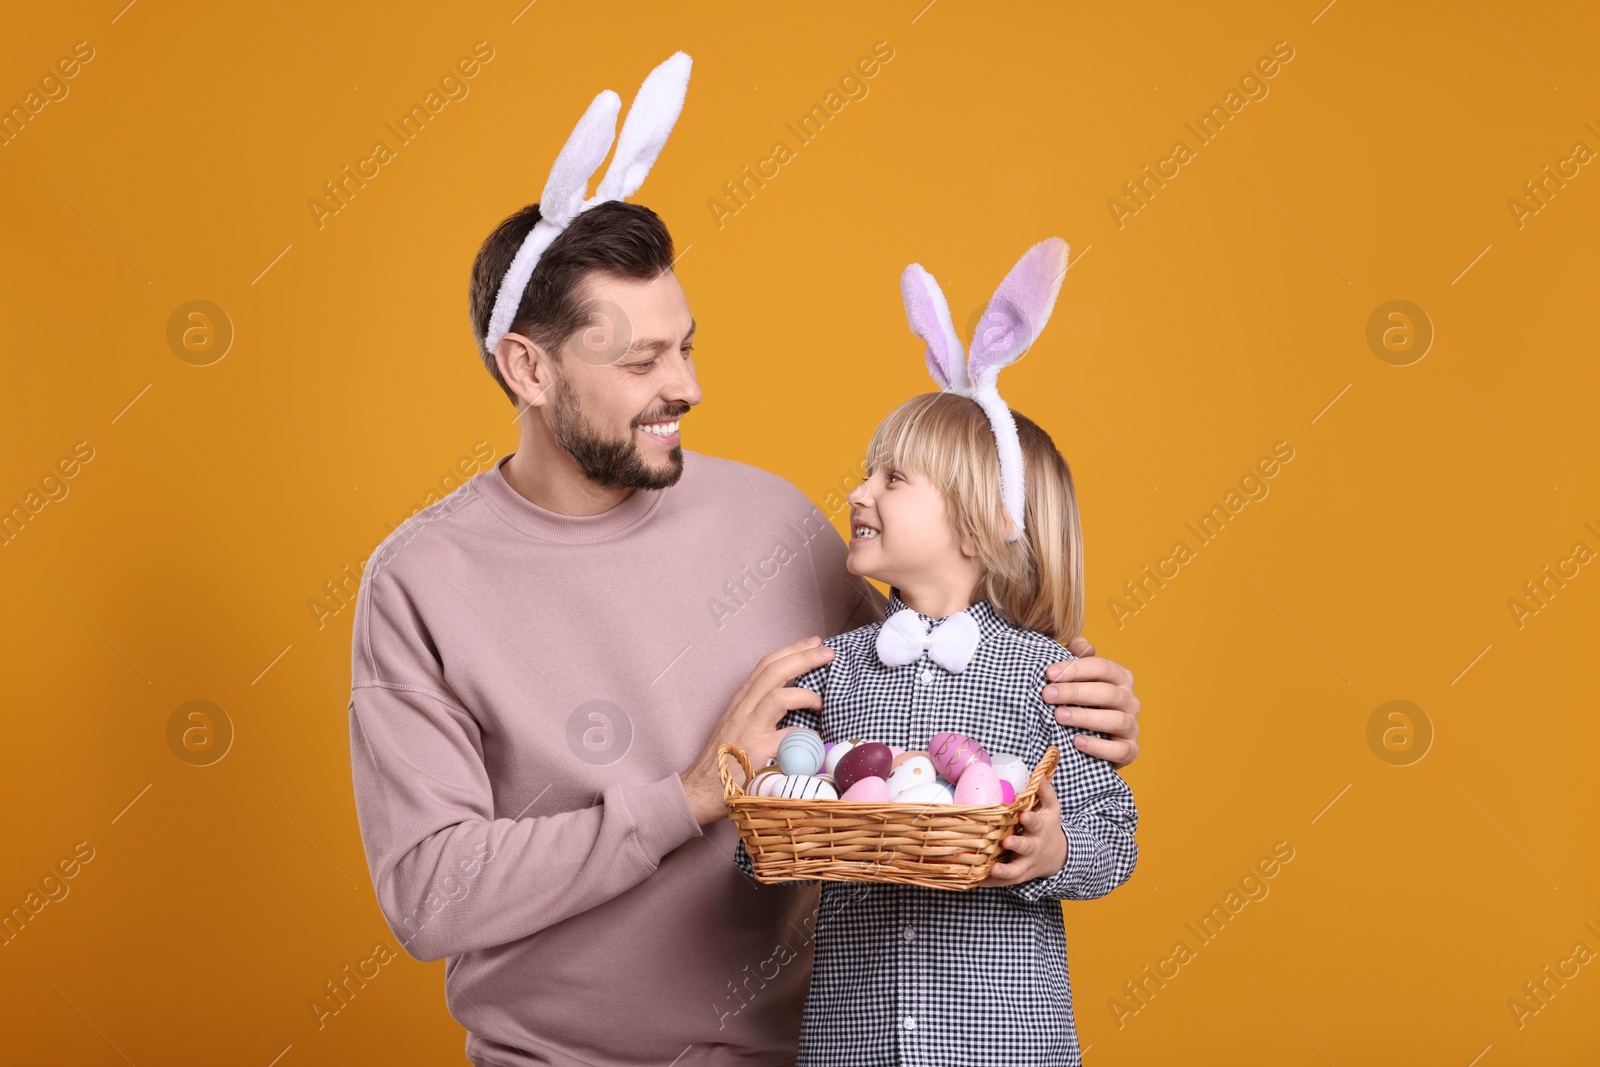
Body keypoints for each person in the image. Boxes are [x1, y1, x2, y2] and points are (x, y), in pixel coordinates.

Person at [347, 55, 1143, 1067]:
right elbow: (430, 893)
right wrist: (687, 794)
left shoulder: (773, 522)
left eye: (684, 346)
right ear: (528, 368)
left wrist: (1069, 701)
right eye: (641, 361)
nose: (685, 385)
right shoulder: (421, 582)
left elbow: (935, 720)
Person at [733, 239, 1134, 1065]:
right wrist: (767, 799)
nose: (858, 492)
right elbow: (757, 850)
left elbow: (1116, 835)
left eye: (893, 479)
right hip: (853, 1043)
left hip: (1004, 1045)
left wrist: (1052, 853)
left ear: (982, 523)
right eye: (866, 472)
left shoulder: (1046, 676)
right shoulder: (828, 669)